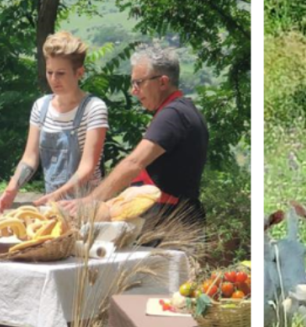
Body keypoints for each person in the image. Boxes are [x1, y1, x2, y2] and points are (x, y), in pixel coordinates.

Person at [69, 44, 208, 227]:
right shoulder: (186, 111)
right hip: (180, 218)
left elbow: (134, 163)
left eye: (139, 83)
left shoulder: (172, 115)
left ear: (163, 82)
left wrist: (92, 200)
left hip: (169, 223)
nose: (133, 91)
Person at [0, 31, 108, 212]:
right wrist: (12, 187)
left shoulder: (94, 108)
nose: (54, 79)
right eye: (50, 72)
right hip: (53, 205)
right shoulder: (40, 106)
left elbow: (87, 167)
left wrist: (58, 195)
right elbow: (30, 157)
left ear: (79, 72)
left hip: (86, 206)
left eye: (61, 73)